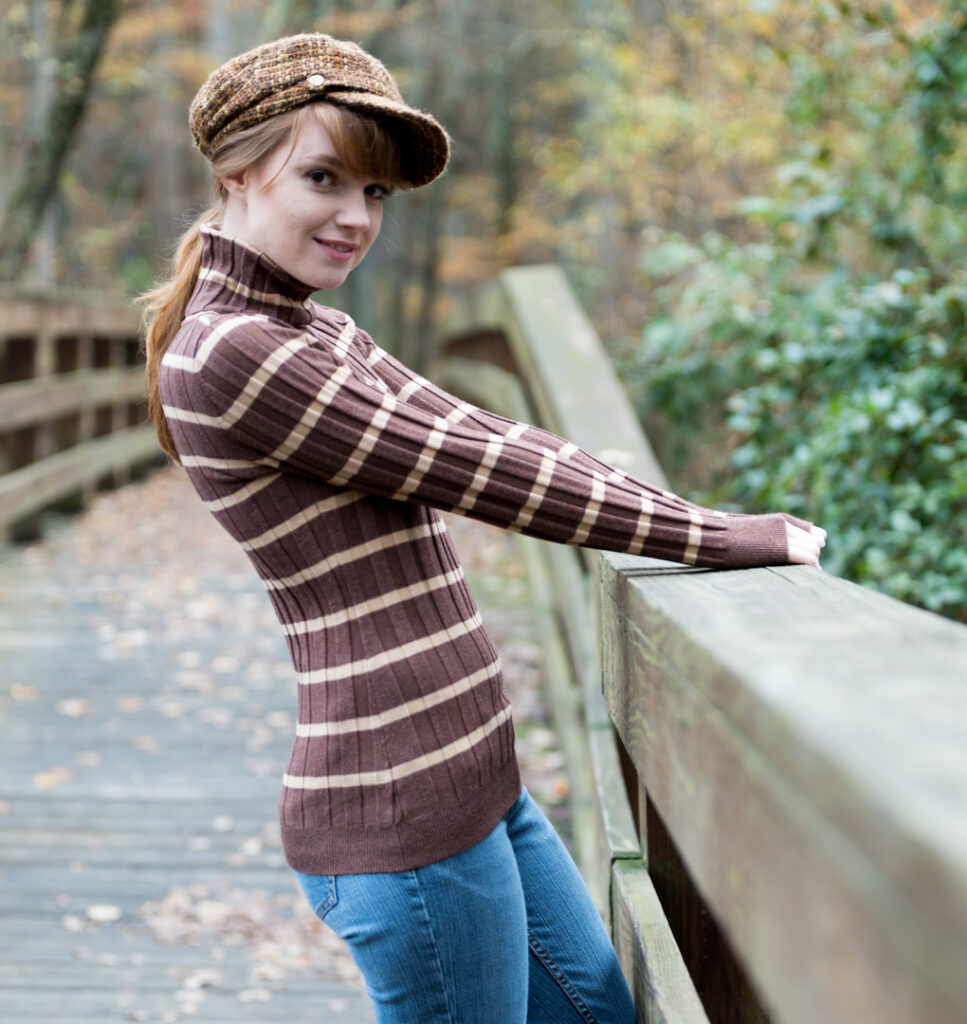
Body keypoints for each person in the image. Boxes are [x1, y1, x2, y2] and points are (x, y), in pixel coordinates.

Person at [142, 33, 826, 1024]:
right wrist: (718, 539)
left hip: (470, 783)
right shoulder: (242, 353)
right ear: (236, 174)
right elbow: (490, 475)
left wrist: (690, 517)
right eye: (324, 178)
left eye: (375, 192)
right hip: (404, 817)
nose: (356, 217)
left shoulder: (311, 327)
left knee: (597, 1013)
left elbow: (482, 431)